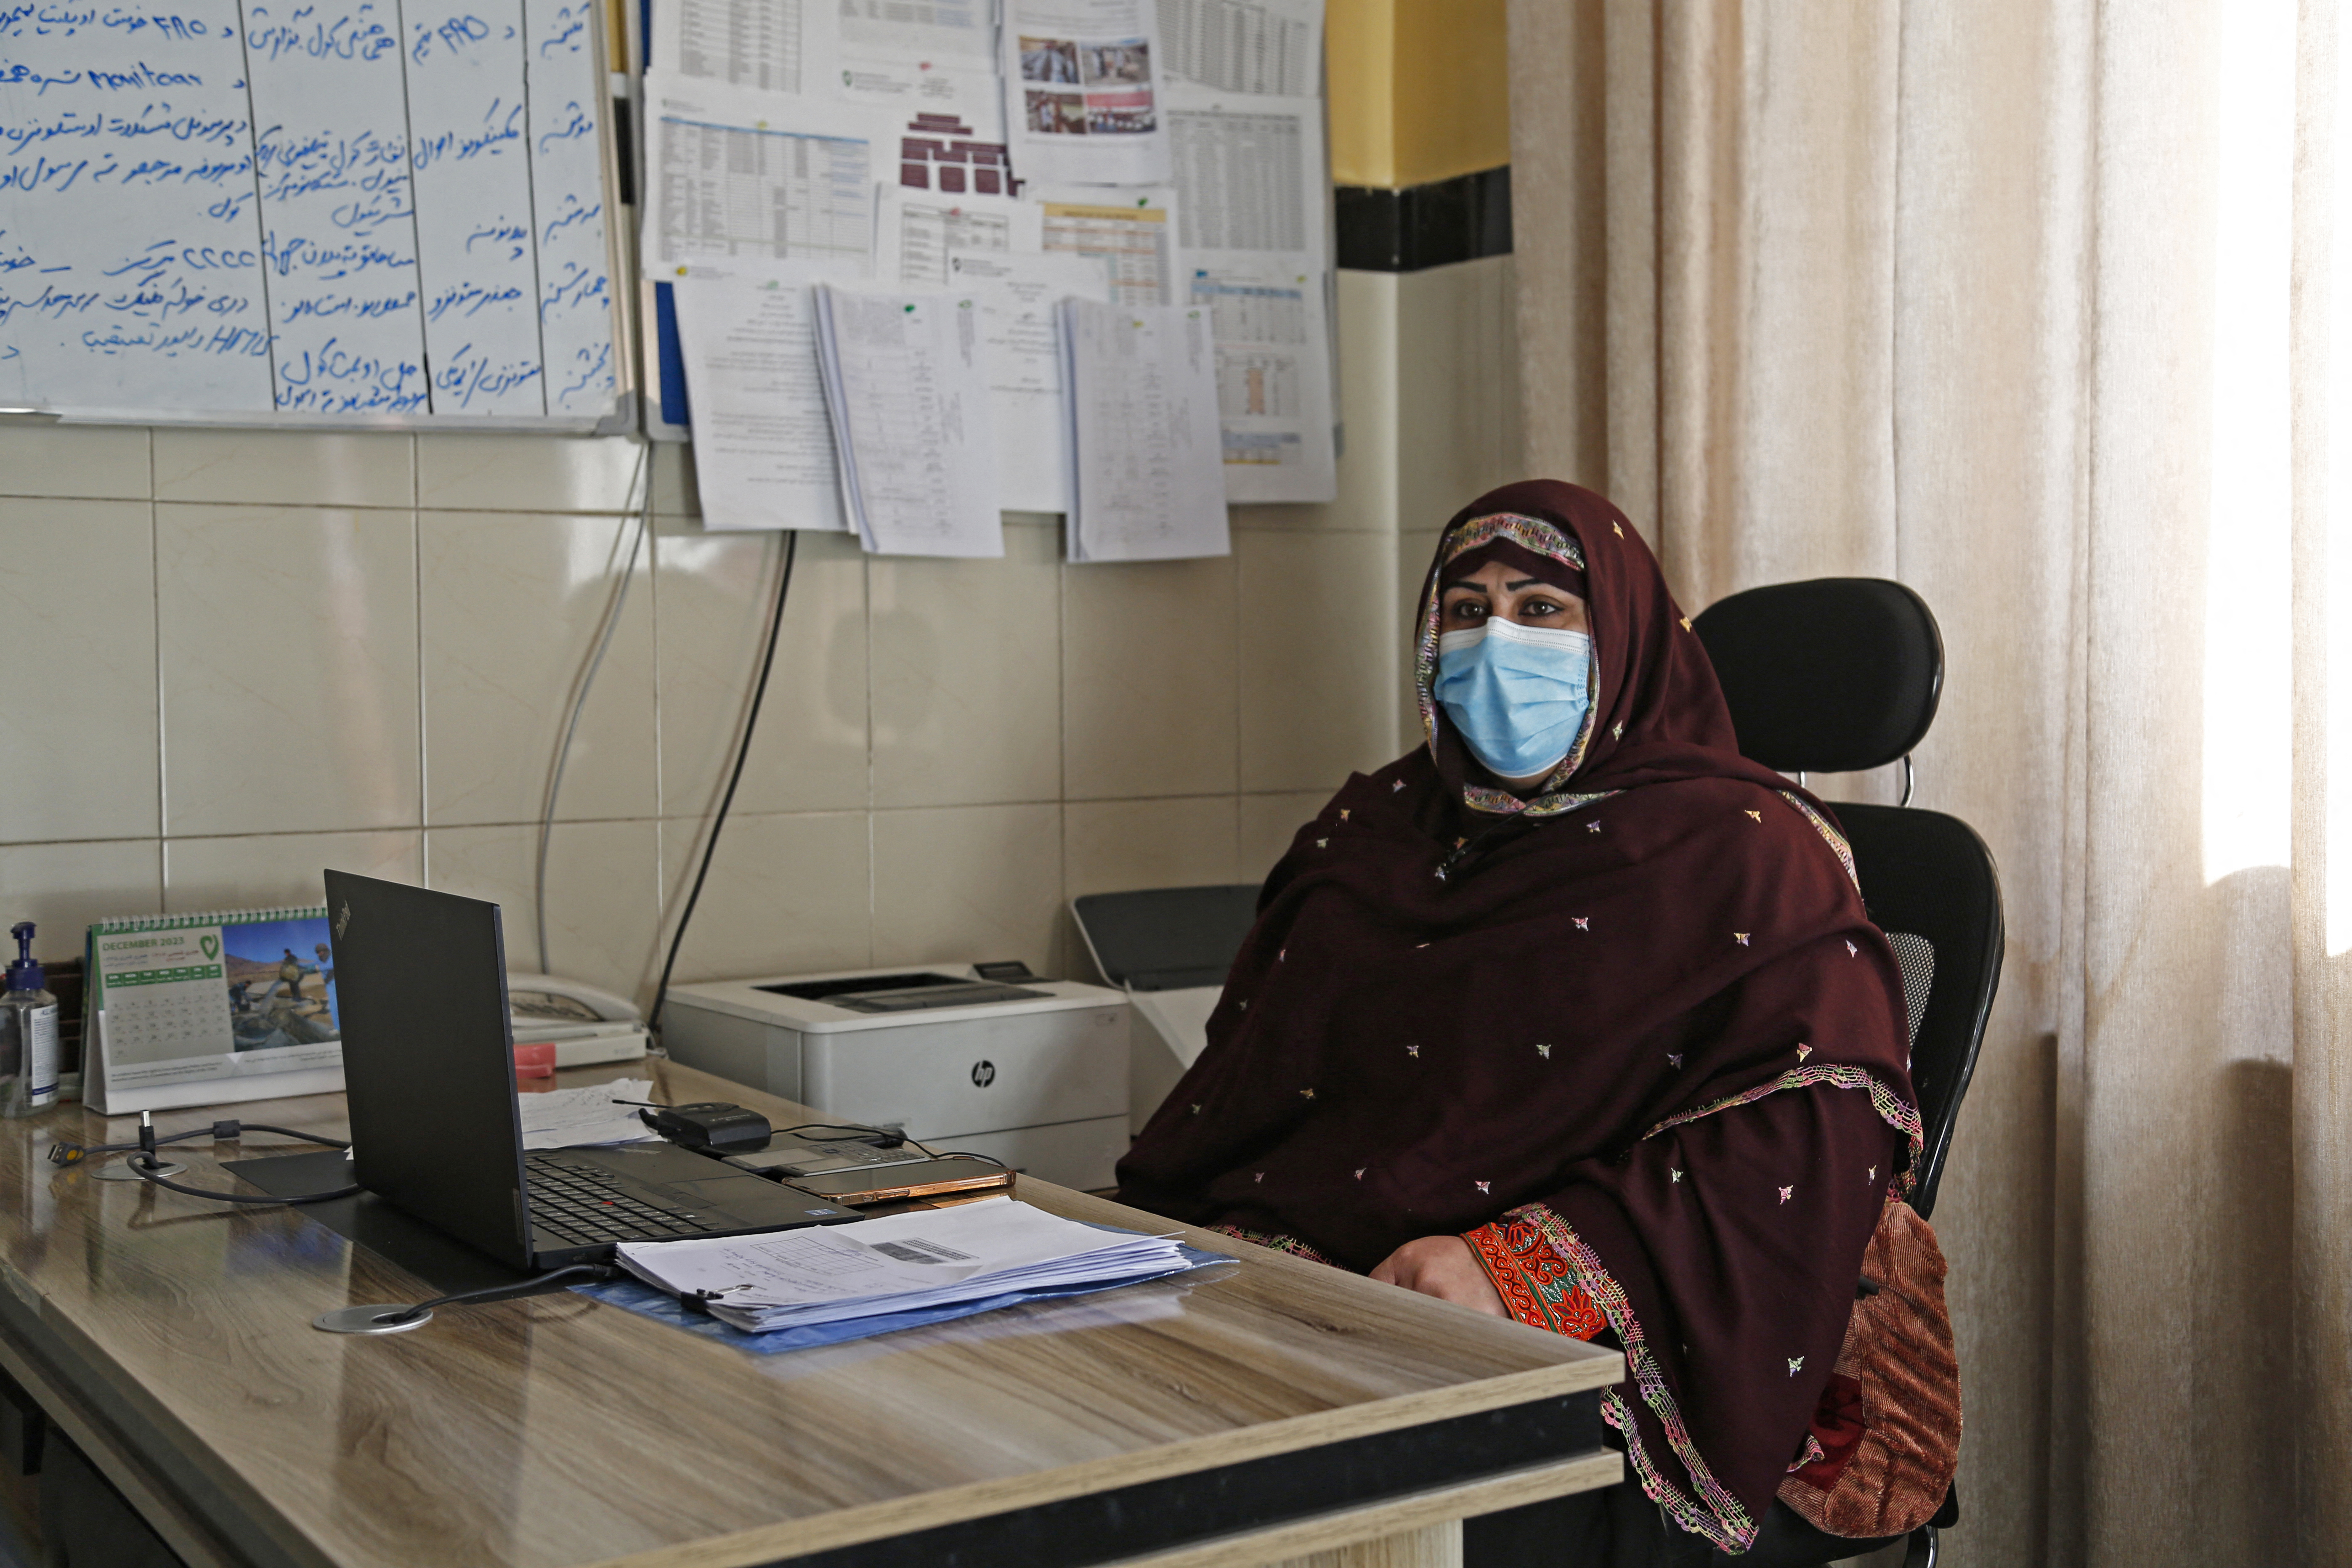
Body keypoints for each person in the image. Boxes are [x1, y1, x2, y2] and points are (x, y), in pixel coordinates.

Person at [1116, 480, 1922, 1564]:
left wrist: (1514, 1269)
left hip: (1585, 1352)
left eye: (1540, 609)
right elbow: (1252, 1107)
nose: (1493, 642)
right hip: (1330, 1310)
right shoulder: (1372, 834)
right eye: (1463, 609)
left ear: (1626, 640)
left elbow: (1800, 1138)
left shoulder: (1749, 857)